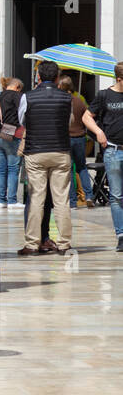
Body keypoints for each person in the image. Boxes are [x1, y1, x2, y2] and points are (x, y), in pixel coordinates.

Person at [19, 61, 73, 256]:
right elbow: (69, 122)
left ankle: (32, 243)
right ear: (57, 78)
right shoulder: (66, 98)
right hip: (60, 152)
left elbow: (22, 120)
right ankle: (64, 243)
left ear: (38, 77)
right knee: (61, 199)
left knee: (36, 199)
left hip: (36, 152)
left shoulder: (28, 97)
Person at [83, 62, 123, 252]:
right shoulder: (104, 95)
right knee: (116, 195)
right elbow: (86, 116)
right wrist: (98, 132)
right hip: (113, 150)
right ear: (119, 79)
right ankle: (121, 235)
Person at [0, 76, 25, 210]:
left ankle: (1, 200)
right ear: (17, 87)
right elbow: (23, 115)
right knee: (13, 169)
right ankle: (12, 201)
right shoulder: (18, 97)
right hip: (10, 134)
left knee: (0, 169)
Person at [59, 75, 93, 209]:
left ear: (61, 86)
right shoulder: (79, 101)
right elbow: (87, 117)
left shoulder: (61, 101)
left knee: (68, 169)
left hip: (66, 138)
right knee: (82, 167)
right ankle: (89, 196)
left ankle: (72, 202)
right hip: (80, 138)